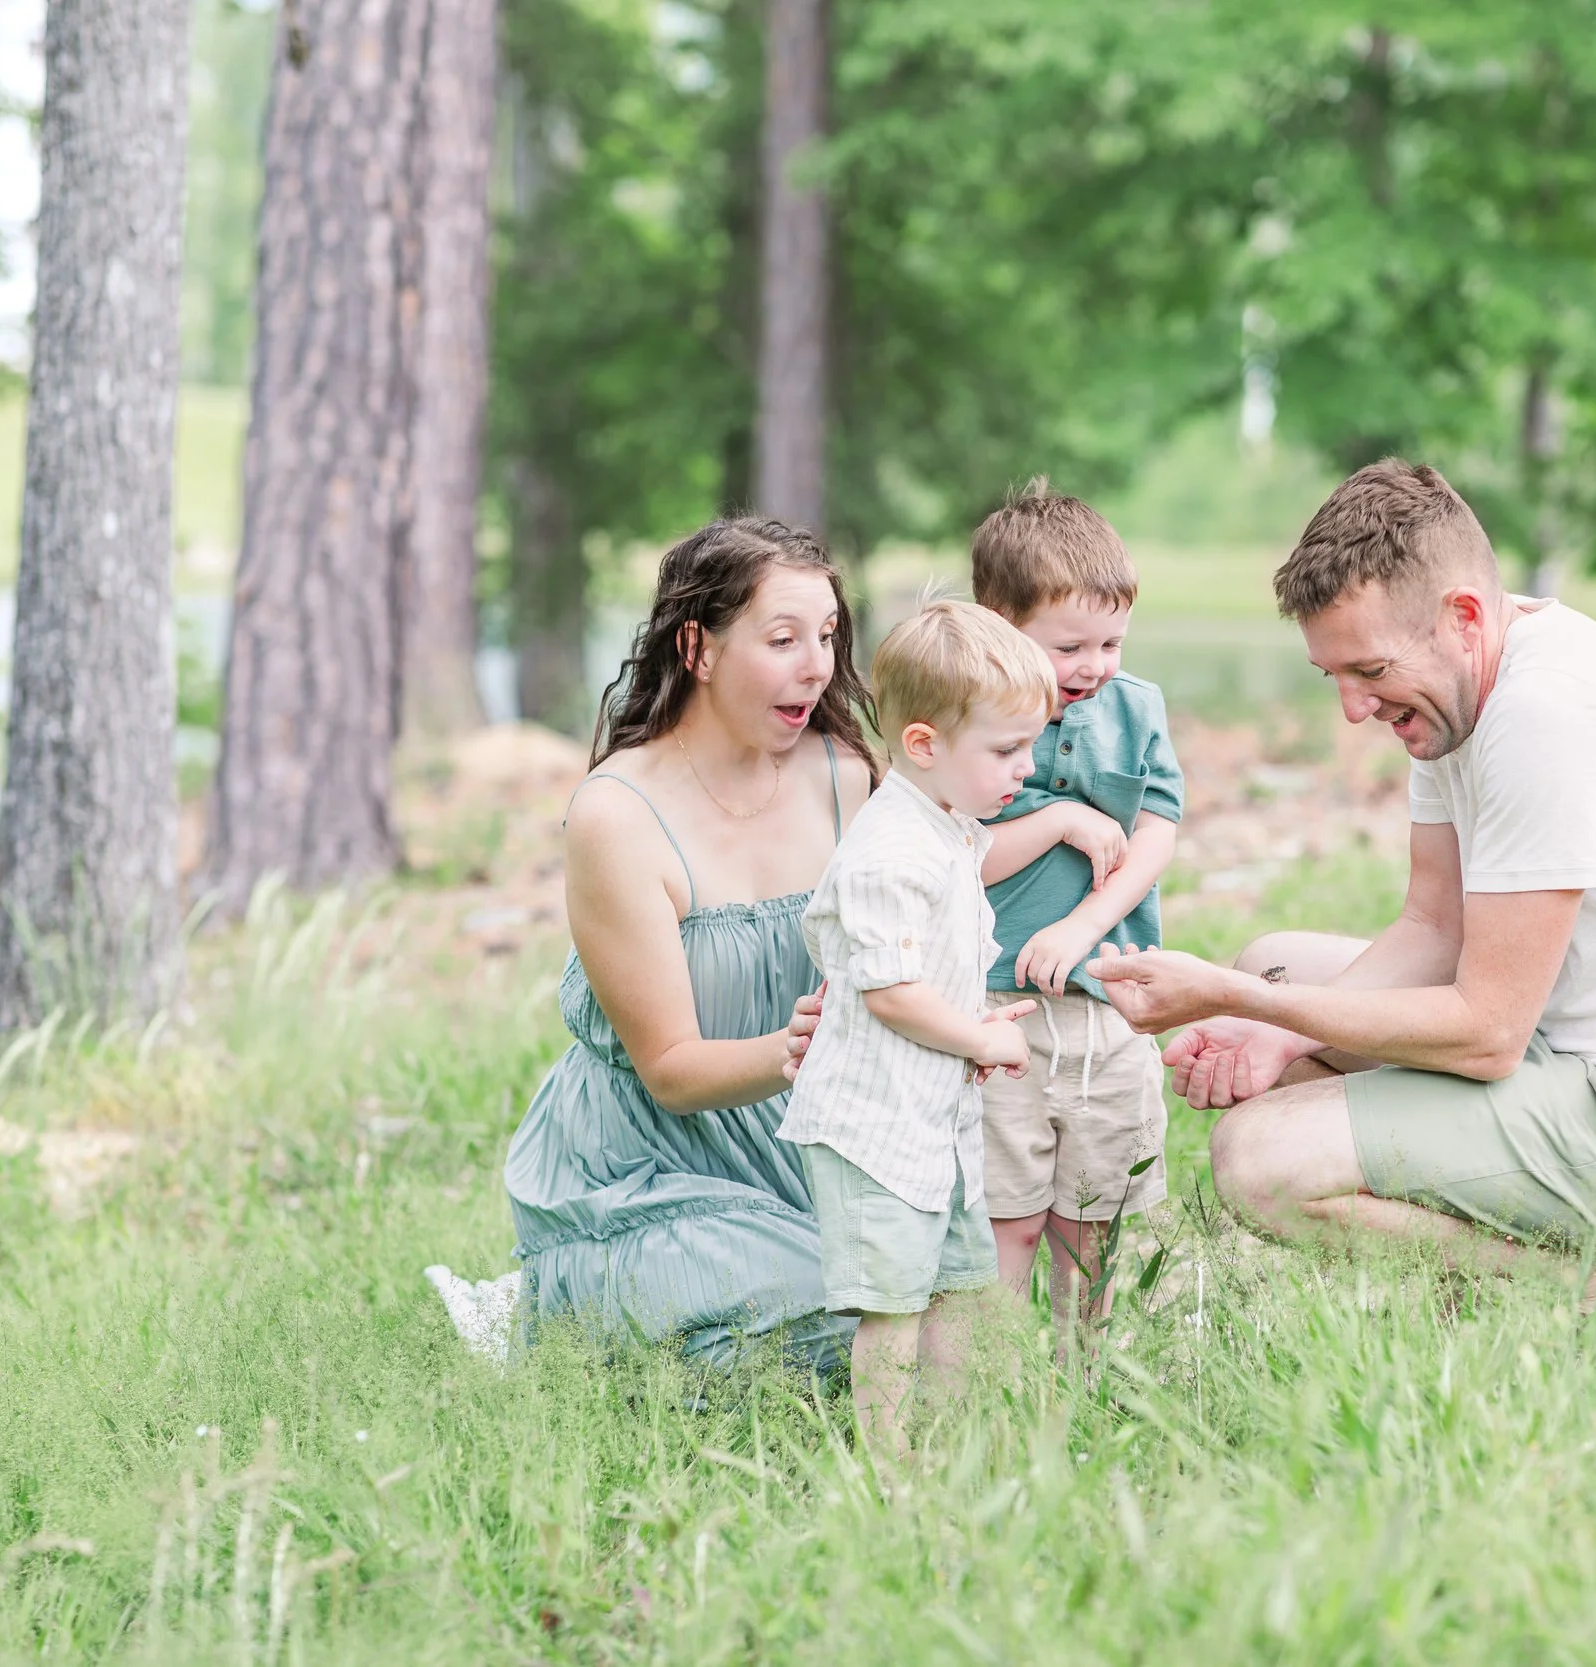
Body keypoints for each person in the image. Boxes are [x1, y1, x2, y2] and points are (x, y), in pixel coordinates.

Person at [1087, 460, 1596, 1317]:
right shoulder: (1458, 692)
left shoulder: (1546, 718)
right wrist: (1271, 1019)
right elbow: (1432, 926)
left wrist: (1242, 1002)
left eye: (1371, 670)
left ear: (1461, 616)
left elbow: (1489, 1031)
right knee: (1281, 962)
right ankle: (1464, 1301)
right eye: (1335, 677)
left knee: (1258, 1157)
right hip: (1572, 1052)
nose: (1356, 708)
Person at [497, 517, 876, 1371]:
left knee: (932, 1308)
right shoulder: (616, 816)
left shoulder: (841, 775)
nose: (816, 665)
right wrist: (812, 1044)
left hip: (805, 1140)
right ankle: (558, 1316)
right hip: (645, 1166)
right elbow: (670, 1067)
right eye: (782, 639)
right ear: (698, 647)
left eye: (825, 635)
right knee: (841, 1335)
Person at [778, 601, 1053, 1453]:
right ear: (926, 745)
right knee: (892, 1304)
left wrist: (969, 1019)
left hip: (933, 1121)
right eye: (1006, 750)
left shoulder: (949, 829)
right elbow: (892, 992)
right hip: (876, 1126)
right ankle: (889, 1465)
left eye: (1029, 744)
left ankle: (951, 1440)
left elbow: (925, 974)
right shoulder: (887, 850)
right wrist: (979, 1038)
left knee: (958, 1286)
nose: (1027, 767)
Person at [965, 485, 1183, 1325]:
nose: (1094, 665)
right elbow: (955, 861)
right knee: (1004, 1211)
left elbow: (1157, 832)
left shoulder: (1135, 709)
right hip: (993, 1001)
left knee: (1095, 1213)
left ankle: (1079, 1376)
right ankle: (990, 1372)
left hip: (1108, 997)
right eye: (1069, 647)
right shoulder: (960, 718)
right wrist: (1057, 819)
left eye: (1111, 642)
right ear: (997, 623)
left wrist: (1086, 924)